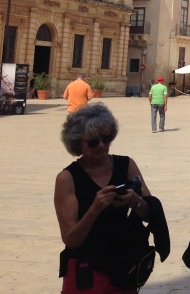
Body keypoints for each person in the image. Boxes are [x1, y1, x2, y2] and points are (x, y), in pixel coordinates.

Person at [54, 104, 164, 293]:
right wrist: (95, 208)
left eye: (106, 139)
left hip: (123, 266)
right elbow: (71, 240)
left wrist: (135, 201)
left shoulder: (126, 165)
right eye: (93, 142)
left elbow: (149, 213)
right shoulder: (67, 178)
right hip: (86, 269)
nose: (102, 145)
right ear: (78, 143)